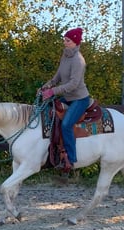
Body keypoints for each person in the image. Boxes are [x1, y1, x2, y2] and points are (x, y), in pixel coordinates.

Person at [40, 27, 90, 170]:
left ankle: (72, 159)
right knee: (48, 112)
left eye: (67, 40)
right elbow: (57, 77)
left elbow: (73, 84)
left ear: (75, 42)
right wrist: (46, 86)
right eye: (64, 39)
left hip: (80, 99)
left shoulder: (78, 60)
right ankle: (53, 151)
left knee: (66, 124)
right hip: (68, 97)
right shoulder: (66, 56)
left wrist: (53, 91)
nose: (64, 42)